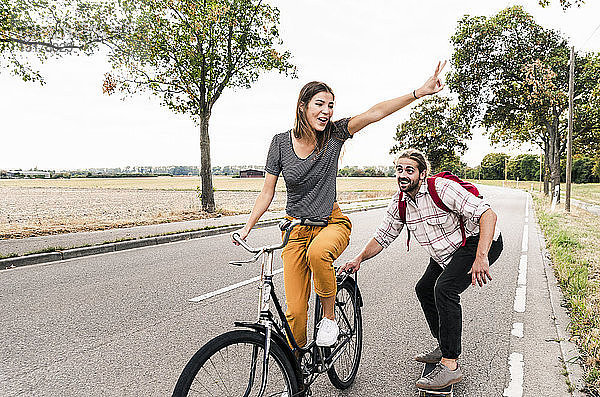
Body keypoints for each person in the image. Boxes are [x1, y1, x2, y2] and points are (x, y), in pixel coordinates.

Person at [234, 62, 446, 351]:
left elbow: (374, 113)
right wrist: (246, 229)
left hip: (331, 223)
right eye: (319, 104)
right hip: (295, 230)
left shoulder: (334, 135)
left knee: (319, 253)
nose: (326, 111)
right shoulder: (280, 143)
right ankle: (296, 372)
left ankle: (330, 319)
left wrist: (418, 93)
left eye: (331, 105)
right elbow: (267, 191)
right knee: (295, 313)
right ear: (302, 107)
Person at [338, 148, 503, 390]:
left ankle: (450, 365)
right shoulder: (400, 202)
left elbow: (487, 214)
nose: (403, 175)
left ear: (422, 174)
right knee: (424, 288)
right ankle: (443, 343)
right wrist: (359, 258)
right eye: (399, 170)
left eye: (409, 170)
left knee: (445, 289)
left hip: (478, 241)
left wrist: (481, 256)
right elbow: (383, 236)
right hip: (446, 252)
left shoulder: (442, 188)